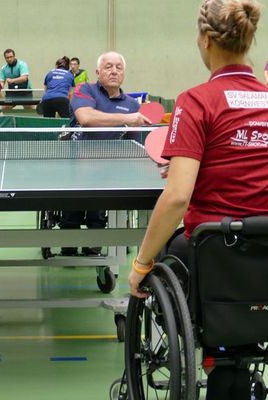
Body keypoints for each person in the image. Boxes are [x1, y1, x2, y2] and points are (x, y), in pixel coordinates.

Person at [128, 1, 265, 399]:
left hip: (214, 253)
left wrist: (140, 265)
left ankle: (215, 354)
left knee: (173, 253)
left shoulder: (197, 100)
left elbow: (176, 199)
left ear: (206, 40)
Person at [59, 51, 150, 256]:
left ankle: (96, 239)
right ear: (98, 71)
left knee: (98, 211)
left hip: (109, 170)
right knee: (71, 210)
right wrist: (126, 118)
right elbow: (86, 118)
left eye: (119, 67)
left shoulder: (132, 106)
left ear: (124, 73)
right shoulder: (86, 89)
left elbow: (134, 145)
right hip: (77, 164)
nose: (114, 71)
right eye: (108, 67)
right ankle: (68, 238)